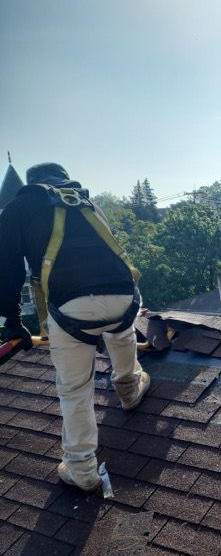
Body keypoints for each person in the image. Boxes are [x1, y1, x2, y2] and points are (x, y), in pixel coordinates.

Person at [0, 163, 150, 491]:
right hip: (125, 298)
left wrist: (13, 323)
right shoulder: (85, 202)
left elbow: (7, 269)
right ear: (63, 179)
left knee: (74, 388)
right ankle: (128, 387)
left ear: (32, 183)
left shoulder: (18, 208)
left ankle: (82, 469)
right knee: (119, 330)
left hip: (72, 308)